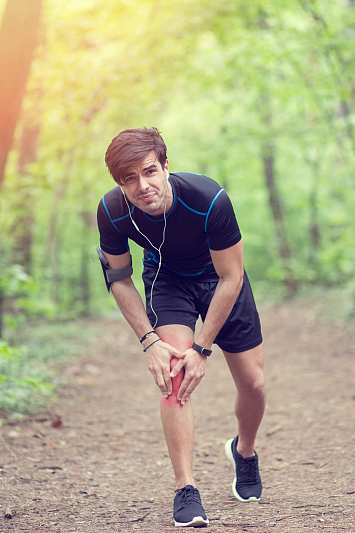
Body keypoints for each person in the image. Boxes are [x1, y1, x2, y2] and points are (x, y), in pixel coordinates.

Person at [96, 127, 267, 527]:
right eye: (129, 179)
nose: (143, 186)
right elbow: (119, 280)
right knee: (174, 378)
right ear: (119, 183)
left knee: (254, 385)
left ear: (166, 167)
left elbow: (231, 277)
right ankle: (185, 488)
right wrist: (149, 339)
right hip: (168, 281)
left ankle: (244, 451)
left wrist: (202, 348)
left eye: (150, 171)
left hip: (221, 281)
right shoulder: (112, 211)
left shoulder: (209, 199)